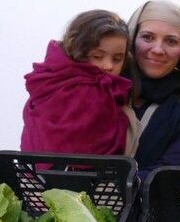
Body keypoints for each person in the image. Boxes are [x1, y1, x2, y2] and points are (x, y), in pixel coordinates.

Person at [21, 10, 132, 156]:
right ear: (78, 51)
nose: (108, 66)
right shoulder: (89, 93)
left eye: (117, 59)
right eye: (97, 56)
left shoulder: (46, 80)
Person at [125, 0, 180, 178]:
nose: (158, 49)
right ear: (132, 39)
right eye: (148, 37)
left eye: (171, 41)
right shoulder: (102, 93)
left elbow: (166, 177)